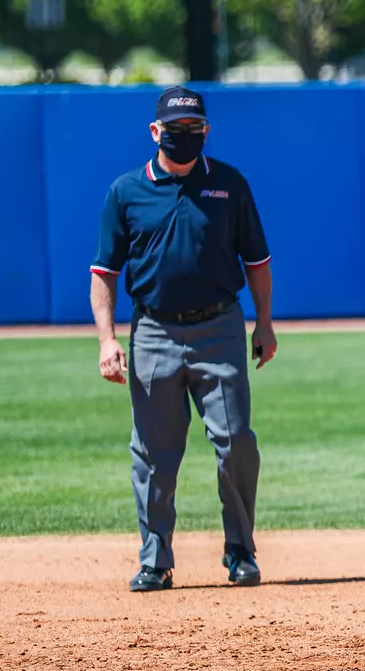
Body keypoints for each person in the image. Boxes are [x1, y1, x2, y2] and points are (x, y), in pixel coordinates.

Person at [91, 87, 276, 593]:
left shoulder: (229, 185)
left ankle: (240, 550)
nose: (184, 137)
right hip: (152, 331)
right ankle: (156, 560)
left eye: (193, 129)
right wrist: (108, 340)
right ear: (155, 132)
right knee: (153, 452)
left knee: (237, 441)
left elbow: (256, 260)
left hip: (219, 327)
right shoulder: (125, 192)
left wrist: (264, 322)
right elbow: (104, 271)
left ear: (206, 131)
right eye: (175, 130)